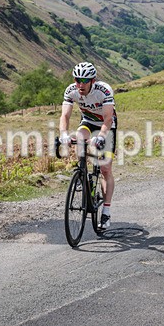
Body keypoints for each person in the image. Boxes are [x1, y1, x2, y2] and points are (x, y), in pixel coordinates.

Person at [58, 62, 117, 229]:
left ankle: (106, 211)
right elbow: (65, 115)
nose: (80, 84)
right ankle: (82, 172)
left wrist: (101, 137)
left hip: (107, 126)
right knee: (78, 137)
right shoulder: (71, 90)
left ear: (93, 80)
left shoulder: (104, 91)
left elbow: (108, 119)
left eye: (85, 80)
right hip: (88, 122)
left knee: (105, 169)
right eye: (78, 80)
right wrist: (63, 134)